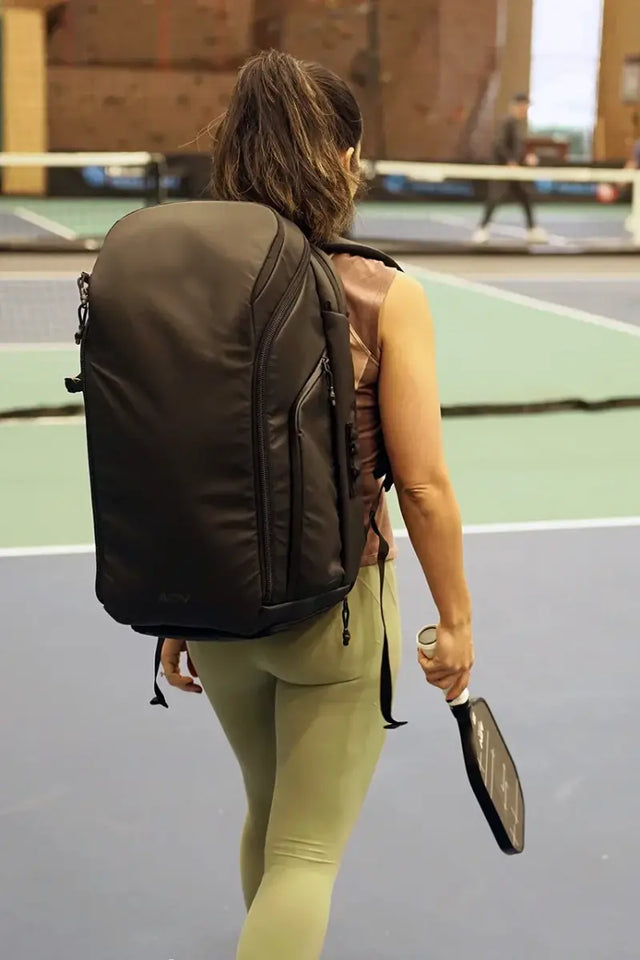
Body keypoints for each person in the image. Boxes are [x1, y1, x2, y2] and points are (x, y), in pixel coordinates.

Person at [160, 50, 474, 960]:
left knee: (270, 813)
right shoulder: (384, 292)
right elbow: (420, 484)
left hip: (213, 607)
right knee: (306, 853)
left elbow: (181, 456)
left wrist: (179, 600)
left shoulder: (188, 282)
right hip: (338, 614)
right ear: (342, 159)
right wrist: (455, 620)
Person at [473, 93, 548, 245]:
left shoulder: (516, 124)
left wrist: (525, 158)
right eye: (524, 106)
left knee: (525, 198)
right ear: (517, 106)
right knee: (495, 198)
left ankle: (532, 229)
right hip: (503, 170)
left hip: (515, 171)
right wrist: (510, 160)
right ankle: (481, 230)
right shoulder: (507, 122)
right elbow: (499, 144)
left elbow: (517, 148)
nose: (525, 110)